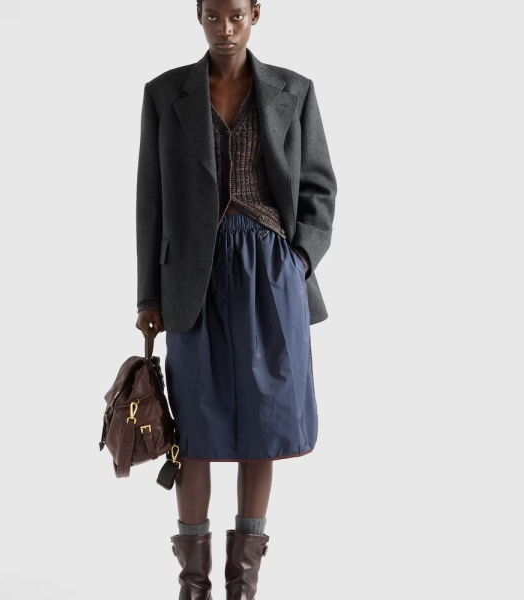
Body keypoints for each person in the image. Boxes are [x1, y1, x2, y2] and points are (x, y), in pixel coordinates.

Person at [135, 1, 337, 598]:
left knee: (263, 424)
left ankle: (242, 585)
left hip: (271, 273)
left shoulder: (294, 91)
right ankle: (194, 585)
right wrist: (148, 295)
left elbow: (320, 187)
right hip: (191, 280)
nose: (224, 29)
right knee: (193, 429)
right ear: (198, 16)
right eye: (213, 17)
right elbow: (150, 200)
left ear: (256, 14)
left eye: (236, 17)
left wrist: (299, 260)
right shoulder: (165, 93)